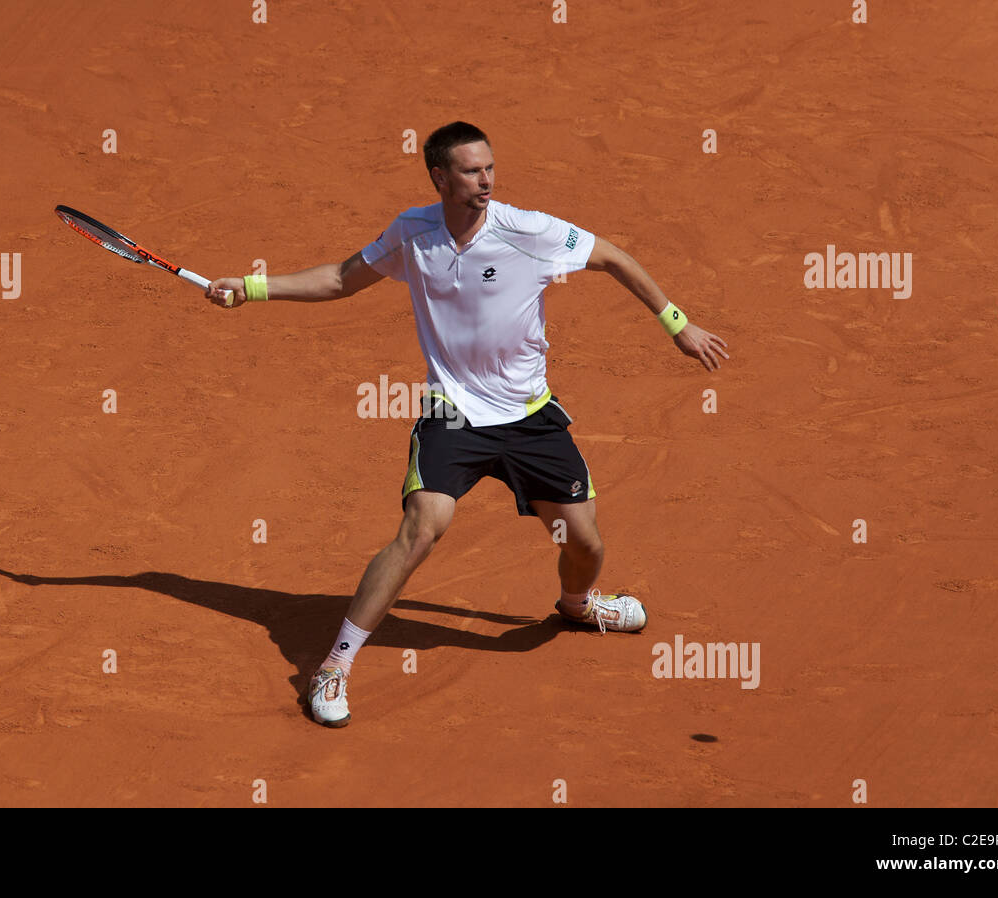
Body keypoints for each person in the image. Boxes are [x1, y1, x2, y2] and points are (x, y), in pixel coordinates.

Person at [206, 121, 730, 728]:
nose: (487, 180)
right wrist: (251, 287)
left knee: (585, 542)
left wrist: (677, 324)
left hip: (530, 415)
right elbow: (341, 279)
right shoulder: (413, 232)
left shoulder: (526, 230)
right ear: (440, 177)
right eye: (472, 171)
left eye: (489, 168)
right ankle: (333, 668)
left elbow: (610, 255)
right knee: (422, 528)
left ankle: (579, 605)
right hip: (452, 411)